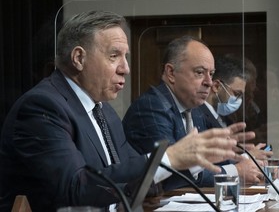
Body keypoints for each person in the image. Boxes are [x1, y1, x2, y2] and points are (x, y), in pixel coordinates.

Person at [0, 11, 253, 212]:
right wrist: (171, 158)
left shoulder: (104, 112)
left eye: (126, 57)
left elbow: (135, 174)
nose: (126, 69)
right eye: (114, 56)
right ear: (79, 58)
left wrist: (193, 160)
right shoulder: (43, 107)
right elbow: (74, 190)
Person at [122, 36, 255, 190]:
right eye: (199, 72)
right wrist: (236, 171)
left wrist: (242, 159)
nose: (209, 82)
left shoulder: (195, 110)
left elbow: (207, 161)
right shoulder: (152, 107)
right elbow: (172, 174)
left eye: (211, 74)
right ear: (171, 72)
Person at [197, 54, 273, 184]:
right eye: (237, 94)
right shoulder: (197, 115)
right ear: (216, 86)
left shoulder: (226, 118)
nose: (239, 101)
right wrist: (246, 158)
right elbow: (202, 169)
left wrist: (247, 155)